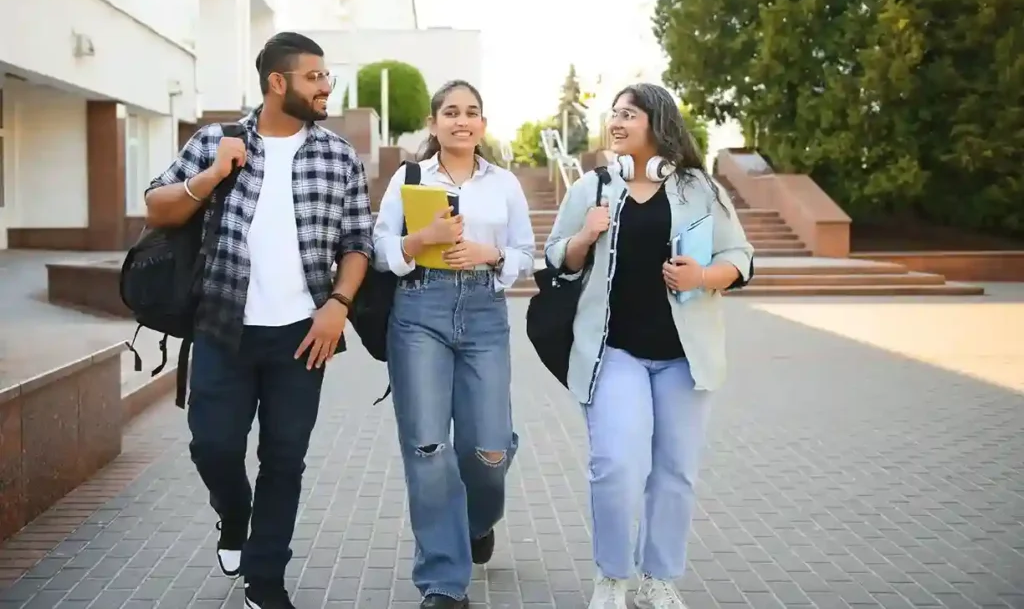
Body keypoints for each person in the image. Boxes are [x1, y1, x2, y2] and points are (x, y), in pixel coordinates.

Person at [145, 32, 373, 609]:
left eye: (327, 77)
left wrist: (337, 306)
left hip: (305, 334)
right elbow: (157, 205)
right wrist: (211, 177)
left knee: (284, 458)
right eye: (315, 77)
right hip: (222, 326)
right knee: (213, 448)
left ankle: (265, 578)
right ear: (279, 83)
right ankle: (234, 516)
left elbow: (357, 241)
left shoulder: (338, 155)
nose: (326, 86)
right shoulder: (216, 142)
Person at [544, 83, 754, 609]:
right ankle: (612, 576)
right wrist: (584, 239)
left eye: (629, 114)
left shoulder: (700, 190)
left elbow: (741, 257)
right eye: (613, 114)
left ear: (658, 124)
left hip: (685, 357)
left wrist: (704, 275)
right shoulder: (591, 189)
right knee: (615, 463)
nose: (616, 122)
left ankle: (659, 579)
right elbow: (554, 258)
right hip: (613, 352)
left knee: (675, 470)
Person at [372, 80, 535, 609]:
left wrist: (491, 254)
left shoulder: (504, 183)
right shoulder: (410, 177)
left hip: (485, 313)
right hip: (420, 310)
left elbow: (527, 254)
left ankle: (477, 521)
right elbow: (379, 247)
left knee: (488, 451)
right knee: (427, 446)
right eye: (450, 112)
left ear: (482, 124)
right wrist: (419, 243)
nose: (461, 120)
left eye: (471, 113)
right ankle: (443, 581)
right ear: (433, 123)